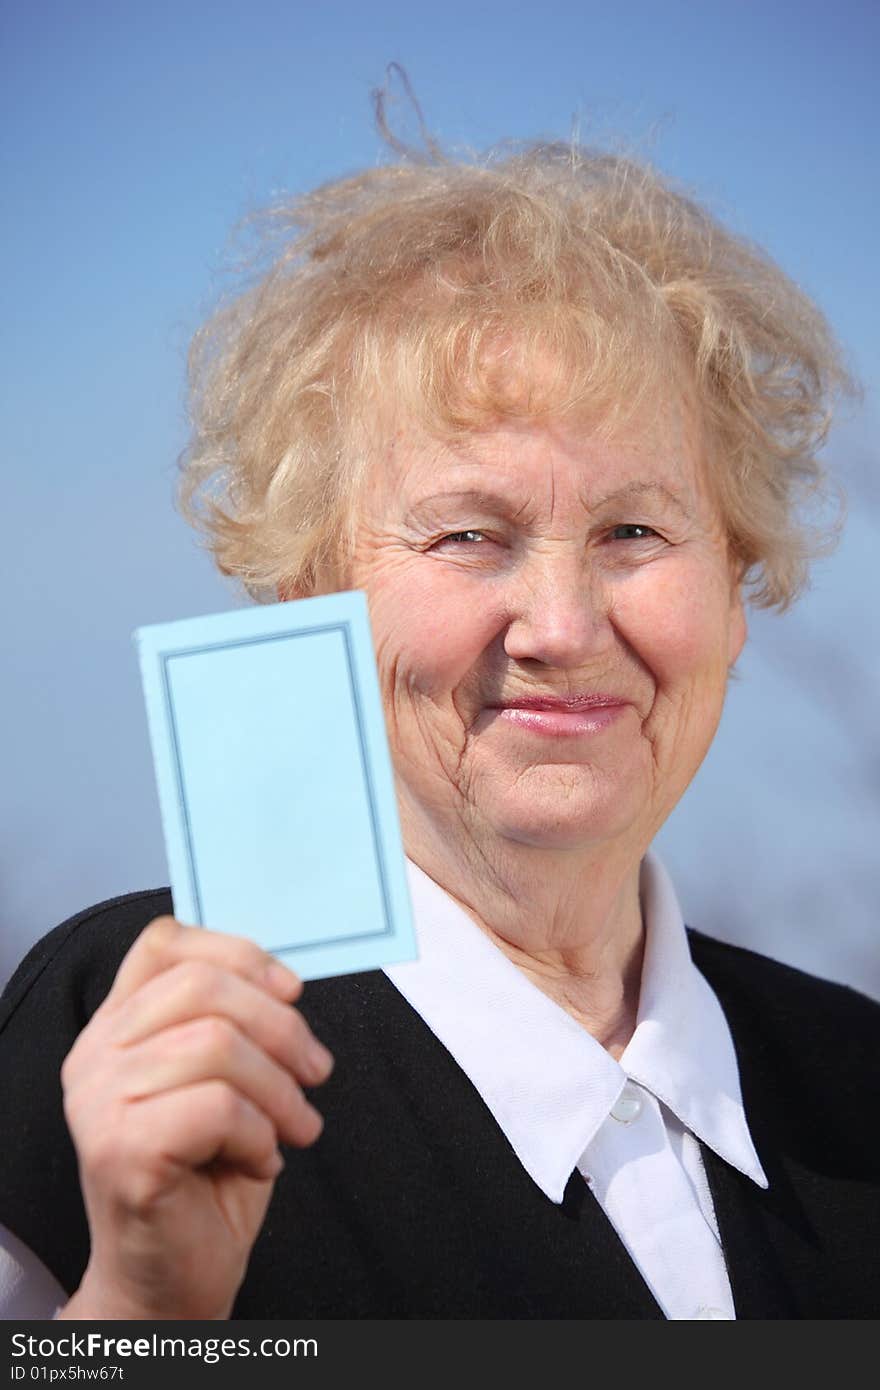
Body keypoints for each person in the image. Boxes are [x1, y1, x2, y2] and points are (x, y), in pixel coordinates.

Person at [1, 114, 878, 1322]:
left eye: (634, 531)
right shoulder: (129, 1029)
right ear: (317, 596)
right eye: (470, 534)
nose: (560, 625)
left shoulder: (856, 1078)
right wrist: (143, 1309)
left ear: (733, 593)